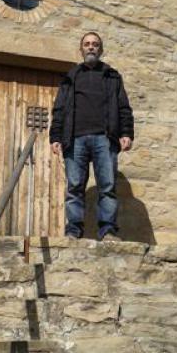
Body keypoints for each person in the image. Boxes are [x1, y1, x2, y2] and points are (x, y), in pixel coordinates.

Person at [49, 31, 134, 241]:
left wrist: (126, 132)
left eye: (95, 44)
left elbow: (123, 107)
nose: (91, 47)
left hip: (105, 138)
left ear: (100, 49)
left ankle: (108, 230)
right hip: (74, 139)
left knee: (107, 186)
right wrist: (55, 136)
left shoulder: (112, 76)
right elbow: (59, 109)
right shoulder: (71, 77)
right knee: (74, 187)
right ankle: (73, 230)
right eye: (87, 44)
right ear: (81, 49)